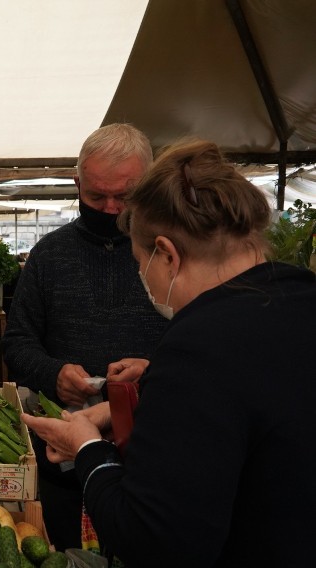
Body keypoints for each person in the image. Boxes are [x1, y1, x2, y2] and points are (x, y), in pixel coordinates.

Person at [23, 139, 316, 566]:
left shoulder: (200, 346)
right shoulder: (301, 296)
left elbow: (151, 539)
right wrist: (152, 387)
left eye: (142, 265)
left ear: (167, 255)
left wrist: (87, 447)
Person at [2, 123, 168, 551]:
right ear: (77, 184)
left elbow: (201, 346)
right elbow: (17, 340)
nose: (111, 208)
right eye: (96, 196)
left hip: (154, 446)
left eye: (124, 196)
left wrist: (153, 371)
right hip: (65, 451)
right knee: (66, 552)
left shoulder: (171, 254)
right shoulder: (50, 255)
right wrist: (52, 372)